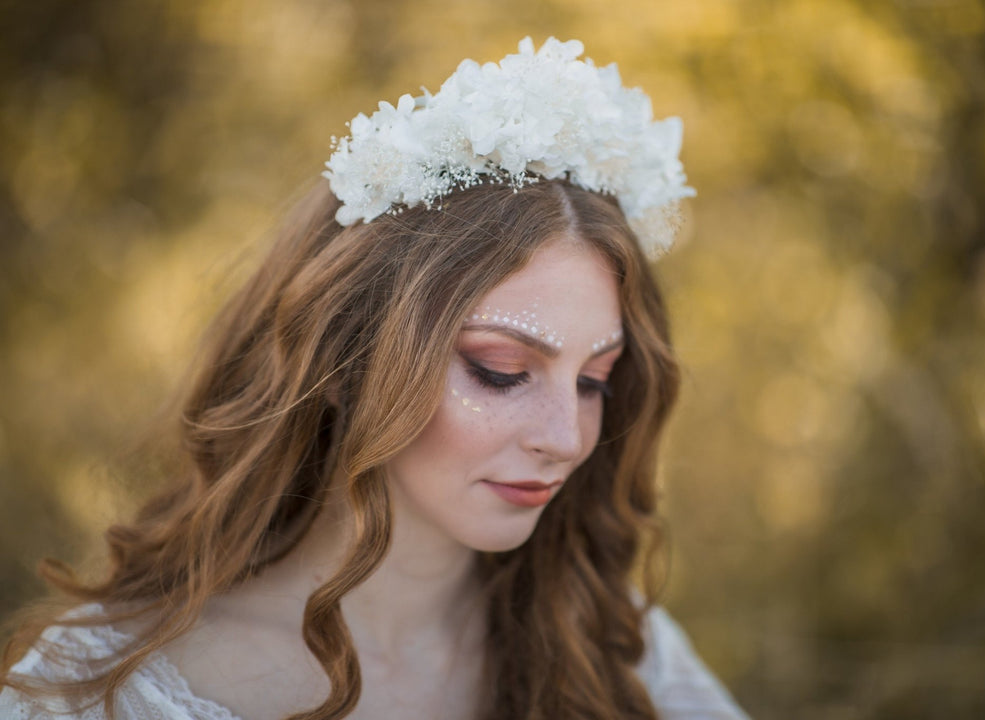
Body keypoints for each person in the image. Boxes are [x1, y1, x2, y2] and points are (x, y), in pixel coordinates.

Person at [0, 37, 749, 720]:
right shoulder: (107, 688)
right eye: (501, 371)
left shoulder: (616, 645)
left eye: (594, 381)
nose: (565, 438)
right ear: (344, 361)